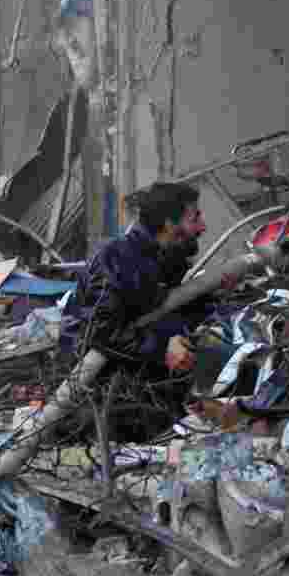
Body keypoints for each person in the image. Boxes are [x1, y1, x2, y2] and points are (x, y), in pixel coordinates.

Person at [59, 181, 229, 441]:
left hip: (150, 388)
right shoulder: (116, 259)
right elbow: (100, 333)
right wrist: (163, 348)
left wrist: (214, 300)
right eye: (194, 218)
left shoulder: (164, 258)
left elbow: (166, 309)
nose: (202, 227)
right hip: (109, 400)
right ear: (170, 225)